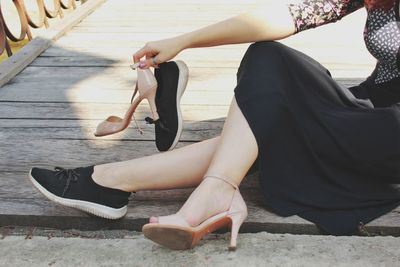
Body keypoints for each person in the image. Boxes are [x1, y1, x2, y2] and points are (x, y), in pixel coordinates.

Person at [29, 0, 400, 250]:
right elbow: (291, 14)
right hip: (371, 104)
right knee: (267, 59)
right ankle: (119, 182)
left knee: (272, 125)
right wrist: (184, 41)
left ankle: (113, 182)